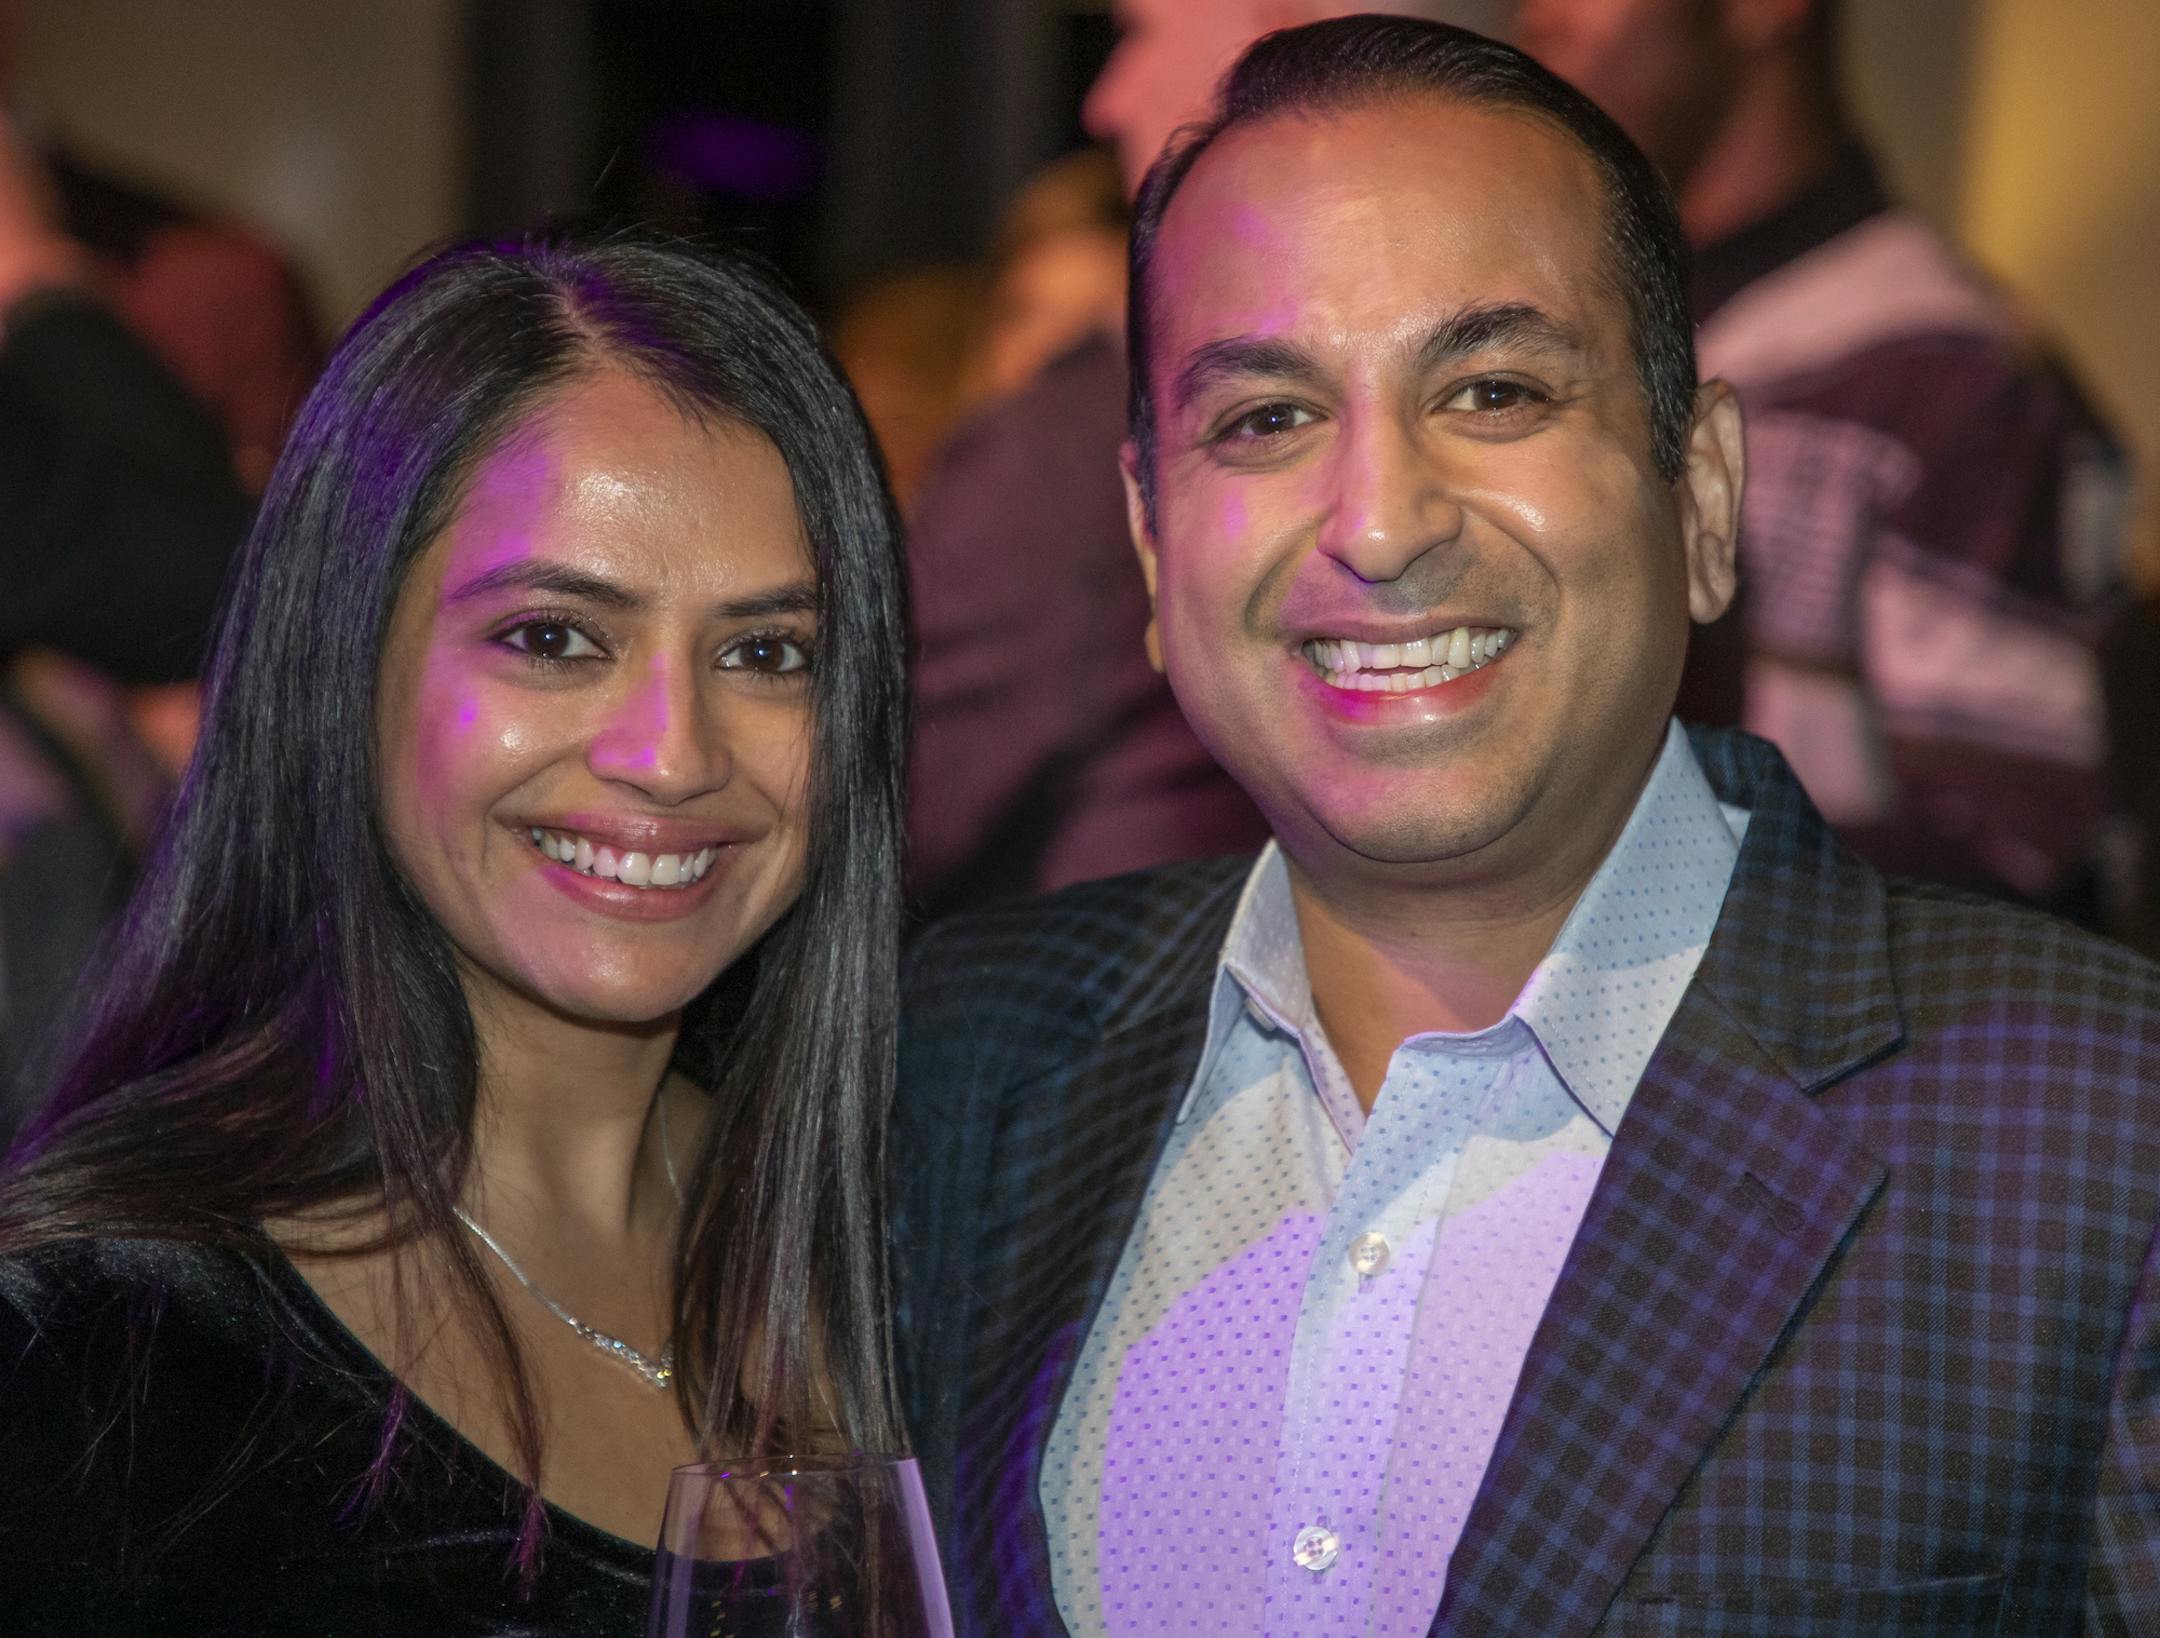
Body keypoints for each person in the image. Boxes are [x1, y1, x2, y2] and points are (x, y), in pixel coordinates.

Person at [891, 18, 2160, 1637]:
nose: (1378, 520)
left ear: (1701, 498)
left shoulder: (2101, 1147)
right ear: (1150, 547)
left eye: (1492, 390)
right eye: (1266, 419)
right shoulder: (955, 1063)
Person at [0, 231, 910, 1629]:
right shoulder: (97, 1355)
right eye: (554, 636)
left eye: (767, 652)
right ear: (345, 657)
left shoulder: (913, 1242)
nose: (672, 754)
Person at [1514, 0, 2131, 916]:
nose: (1539, 20)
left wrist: (1573, 878)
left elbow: (2011, 858)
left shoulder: (1944, 381)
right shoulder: (1598, 334)